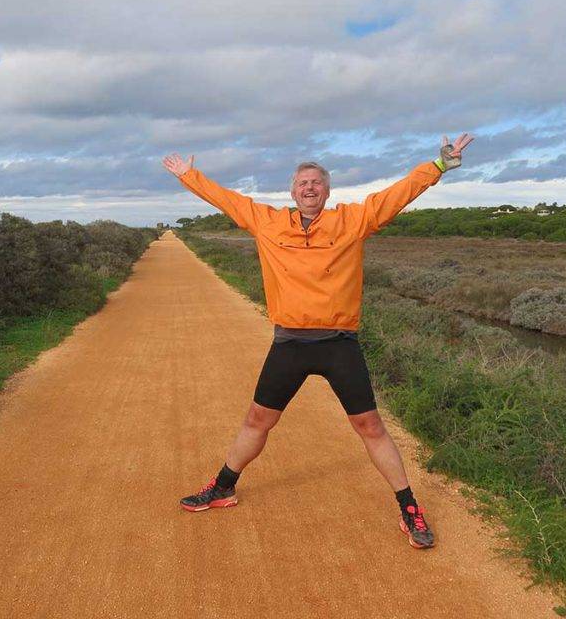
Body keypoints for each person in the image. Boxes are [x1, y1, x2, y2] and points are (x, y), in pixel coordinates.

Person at [162, 134, 474, 549]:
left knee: (370, 427)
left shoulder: (352, 220)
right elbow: (228, 200)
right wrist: (190, 176)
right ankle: (222, 487)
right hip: (289, 343)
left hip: (338, 343)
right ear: (292, 192)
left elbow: (396, 196)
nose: (309, 188)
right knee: (258, 420)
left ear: (327, 191)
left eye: (317, 183)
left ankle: (409, 508)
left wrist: (436, 168)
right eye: (302, 183)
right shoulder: (267, 222)